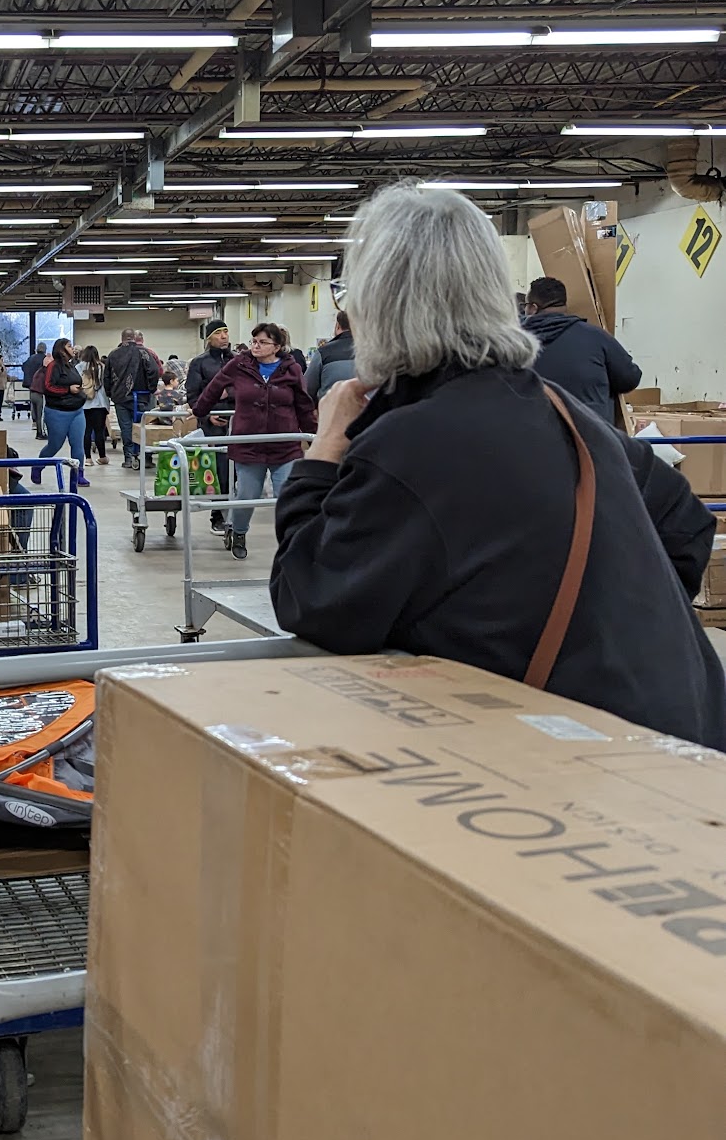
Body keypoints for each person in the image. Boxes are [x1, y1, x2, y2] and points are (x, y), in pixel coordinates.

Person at [270, 183, 726, 751]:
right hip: (686, 739)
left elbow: (309, 598)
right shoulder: (561, 411)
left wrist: (322, 453)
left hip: (576, 760)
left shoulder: (411, 443)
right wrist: (607, 630)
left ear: (376, 305)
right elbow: (686, 525)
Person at [192, 323, 316, 560]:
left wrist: (313, 437)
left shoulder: (291, 368)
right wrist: (200, 411)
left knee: (287, 496)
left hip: (284, 445)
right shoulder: (240, 364)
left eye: (262, 342)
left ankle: (290, 543)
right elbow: (215, 386)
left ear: (276, 347)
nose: (256, 346)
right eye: (254, 341)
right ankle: (238, 532)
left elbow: (303, 404)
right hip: (249, 444)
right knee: (247, 495)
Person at [524, 275, 641, 420]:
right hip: (591, 430)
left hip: (535, 429)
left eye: (525, 305)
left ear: (533, 308)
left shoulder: (515, 344)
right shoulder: (596, 337)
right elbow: (630, 378)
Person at [31, 336, 89, 485]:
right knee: (54, 445)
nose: (73, 349)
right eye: (69, 346)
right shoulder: (53, 366)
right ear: (61, 350)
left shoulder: (72, 366)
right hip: (57, 412)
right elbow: (48, 387)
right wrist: (68, 389)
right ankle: (37, 466)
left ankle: (78, 474)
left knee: (78, 445)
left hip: (77, 411)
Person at [104, 329, 162, 470]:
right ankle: (145, 458)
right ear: (134, 338)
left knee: (126, 427)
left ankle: (129, 458)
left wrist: (110, 393)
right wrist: (151, 388)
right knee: (144, 426)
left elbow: (106, 377)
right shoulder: (144, 352)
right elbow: (154, 370)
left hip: (120, 397)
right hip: (141, 396)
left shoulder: (113, 354)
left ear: (122, 338)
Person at [304, 309, 356, 401]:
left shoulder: (323, 352)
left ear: (338, 326)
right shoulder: (371, 351)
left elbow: (307, 388)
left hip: (331, 407)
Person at [185, 323, 232, 414]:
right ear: (209, 338)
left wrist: (229, 392)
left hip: (238, 416)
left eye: (226, 332)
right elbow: (193, 397)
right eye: (217, 333)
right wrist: (207, 416)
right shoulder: (198, 362)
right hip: (210, 416)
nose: (224, 336)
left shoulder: (238, 360)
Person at [78, 343, 111, 464]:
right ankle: (102, 457)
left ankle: (88, 458)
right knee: (99, 431)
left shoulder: (79, 367)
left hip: (84, 403)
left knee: (86, 431)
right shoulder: (102, 367)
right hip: (100, 404)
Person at [21, 343, 48, 439]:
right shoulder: (44, 360)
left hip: (31, 385)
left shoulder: (31, 358)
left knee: (33, 405)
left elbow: (23, 367)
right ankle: (40, 429)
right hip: (41, 387)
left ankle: (34, 421)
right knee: (41, 408)